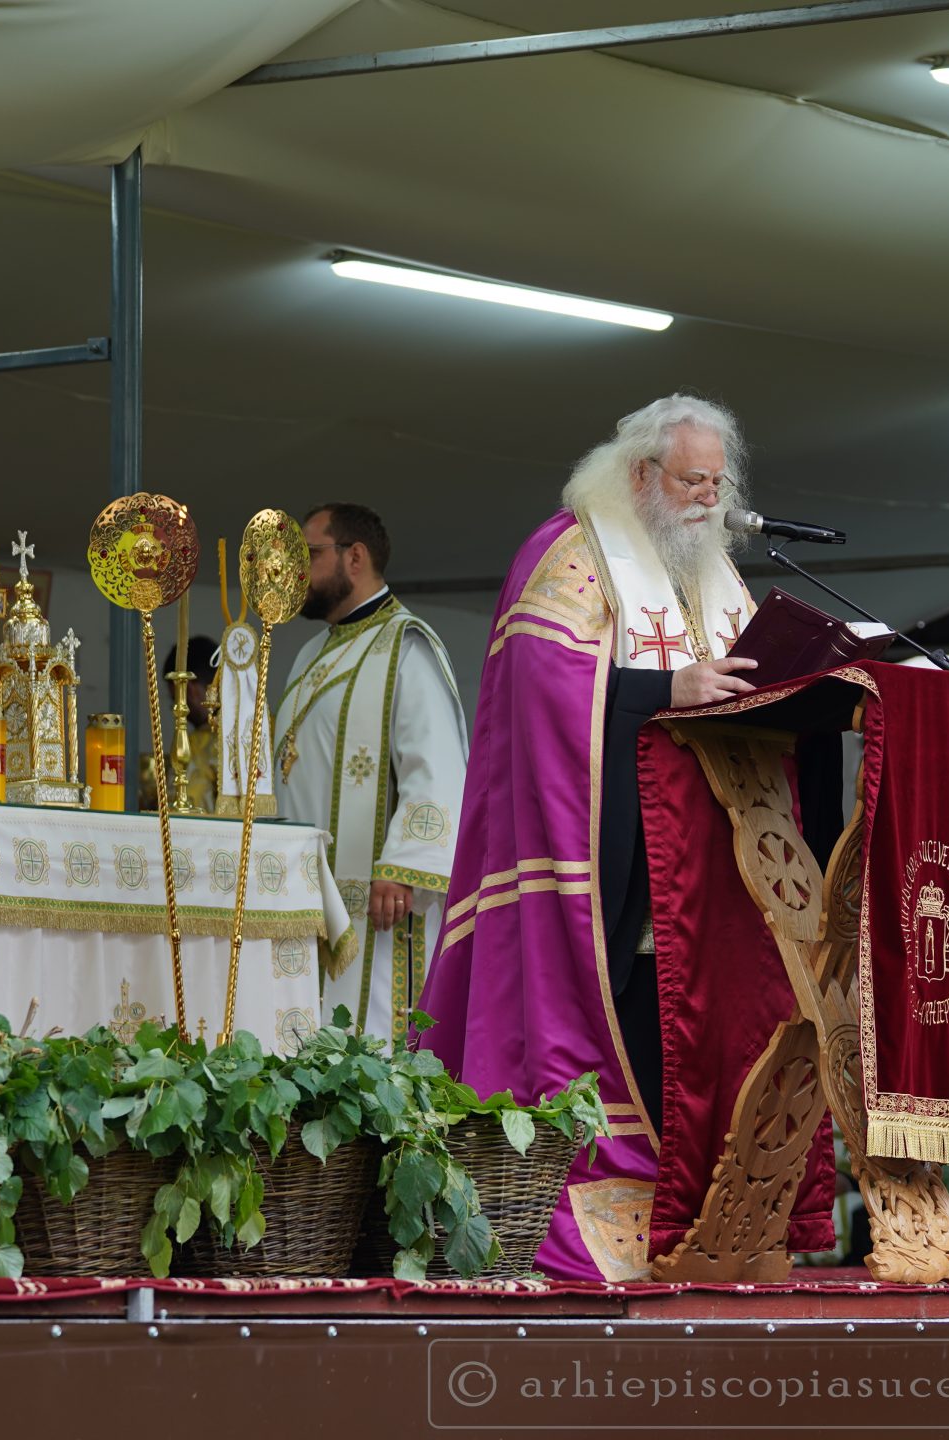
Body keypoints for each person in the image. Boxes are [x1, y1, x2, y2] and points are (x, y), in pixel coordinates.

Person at [415, 394, 762, 1282]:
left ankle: (695, 1198)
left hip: (695, 847)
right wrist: (664, 695)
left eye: (718, 485)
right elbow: (544, 689)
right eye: (692, 482)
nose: (707, 503)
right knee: (613, 1004)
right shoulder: (573, 549)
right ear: (643, 474)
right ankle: (600, 1198)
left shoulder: (710, 570)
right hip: (602, 849)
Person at [269, 504, 469, 1044]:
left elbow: (438, 767)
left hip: (377, 899)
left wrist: (405, 864)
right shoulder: (312, 652)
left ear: (354, 556)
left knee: (374, 1039)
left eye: (308, 554)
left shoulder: (408, 646)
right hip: (309, 893)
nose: (295, 570)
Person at [166, 635, 219, 805]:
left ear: (188, 691)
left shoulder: (194, 747)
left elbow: (181, 815)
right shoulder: (269, 729)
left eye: (174, 699)